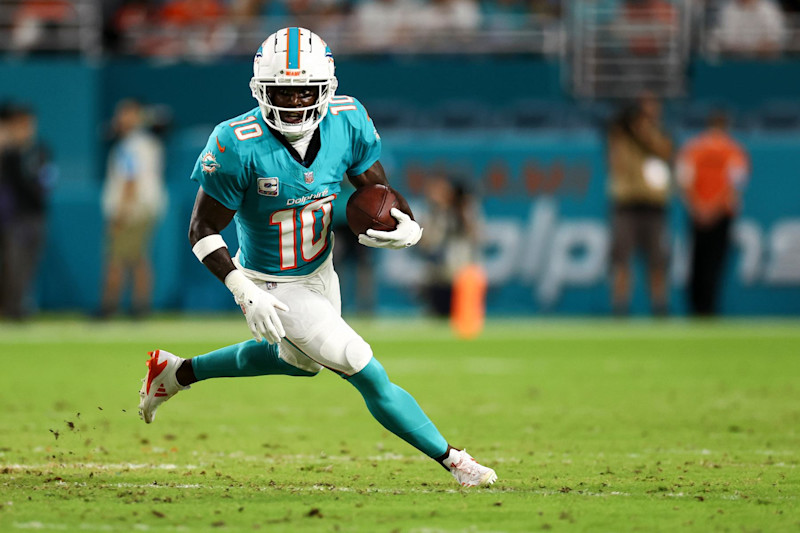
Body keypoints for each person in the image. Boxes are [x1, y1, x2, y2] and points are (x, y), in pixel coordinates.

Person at [137, 27, 497, 488]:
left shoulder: (347, 120)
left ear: (326, 88)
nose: (292, 102)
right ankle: (455, 461)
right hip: (270, 282)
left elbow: (375, 189)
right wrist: (244, 289)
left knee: (296, 362)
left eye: (303, 90)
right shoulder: (235, 142)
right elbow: (202, 230)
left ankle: (176, 372)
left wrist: (405, 224)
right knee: (360, 362)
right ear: (259, 90)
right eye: (281, 91)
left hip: (320, 270)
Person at [98, 99, 167, 318]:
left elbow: (130, 181)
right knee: (138, 259)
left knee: (117, 259)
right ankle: (140, 307)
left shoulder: (132, 144)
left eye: (126, 113)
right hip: (144, 209)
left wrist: (121, 212)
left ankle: (110, 307)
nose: (120, 118)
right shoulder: (146, 143)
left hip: (133, 211)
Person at [677, 111, 749, 316]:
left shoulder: (694, 148)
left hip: (698, 214)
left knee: (697, 263)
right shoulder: (733, 150)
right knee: (714, 264)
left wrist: (700, 207)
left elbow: (684, 182)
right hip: (720, 215)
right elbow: (735, 187)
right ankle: (708, 309)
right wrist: (713, 208)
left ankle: (697, 309)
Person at [607, 92, 673, 316]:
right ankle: (620, 307)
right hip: (626, 204)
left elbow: (666, 151)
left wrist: (644, 132)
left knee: (657, 262)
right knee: (622, 261)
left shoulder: (661, 133)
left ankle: (659, 306)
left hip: (654, 206)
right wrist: (627, 125)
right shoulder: (621, 134)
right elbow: (615, 160)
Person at [0, 104, 55, 320]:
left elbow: (45, 182)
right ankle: (11, 309)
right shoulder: (8, 154)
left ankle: (19, 307)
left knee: (28, 266)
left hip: (35, 216)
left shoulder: (40, 150)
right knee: (12, 264)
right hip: (12, 218)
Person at [711, 0, 787, 58]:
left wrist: (762, 48)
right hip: (733, 63)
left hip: (765, 64)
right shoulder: (728, 11)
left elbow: (776, 39)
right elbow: (725, 41)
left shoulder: (769, 9)